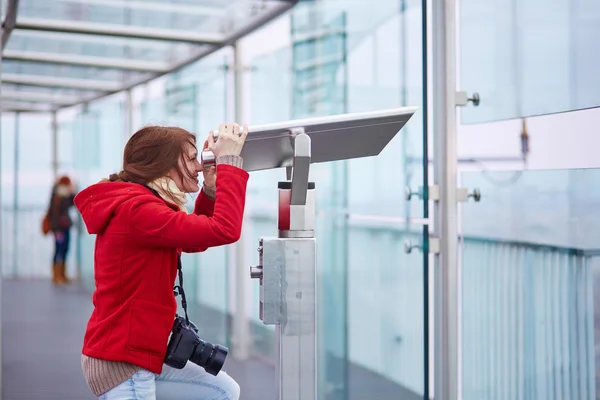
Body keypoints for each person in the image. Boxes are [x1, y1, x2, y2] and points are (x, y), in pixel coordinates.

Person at [74, 123, 249, 400]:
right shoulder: (138, 211)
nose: (200, 166)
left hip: (140, 350)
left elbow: (194, 240)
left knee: (222, 390)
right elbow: (224, 229)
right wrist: (229, 164)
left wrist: (212, 190)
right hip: (124, 362)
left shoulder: (143, 205)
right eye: (192, 159)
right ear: (164, 166)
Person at [47, 175, 77, 284]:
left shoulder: (65, 195)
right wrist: (56, 229)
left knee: (64, 249)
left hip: (65, 226)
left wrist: (72, 191)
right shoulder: (57, 196)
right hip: (59, 228)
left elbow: (74, 202)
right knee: (58, 250)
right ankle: (56, 276)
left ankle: (62, 275)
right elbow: (54, 214)